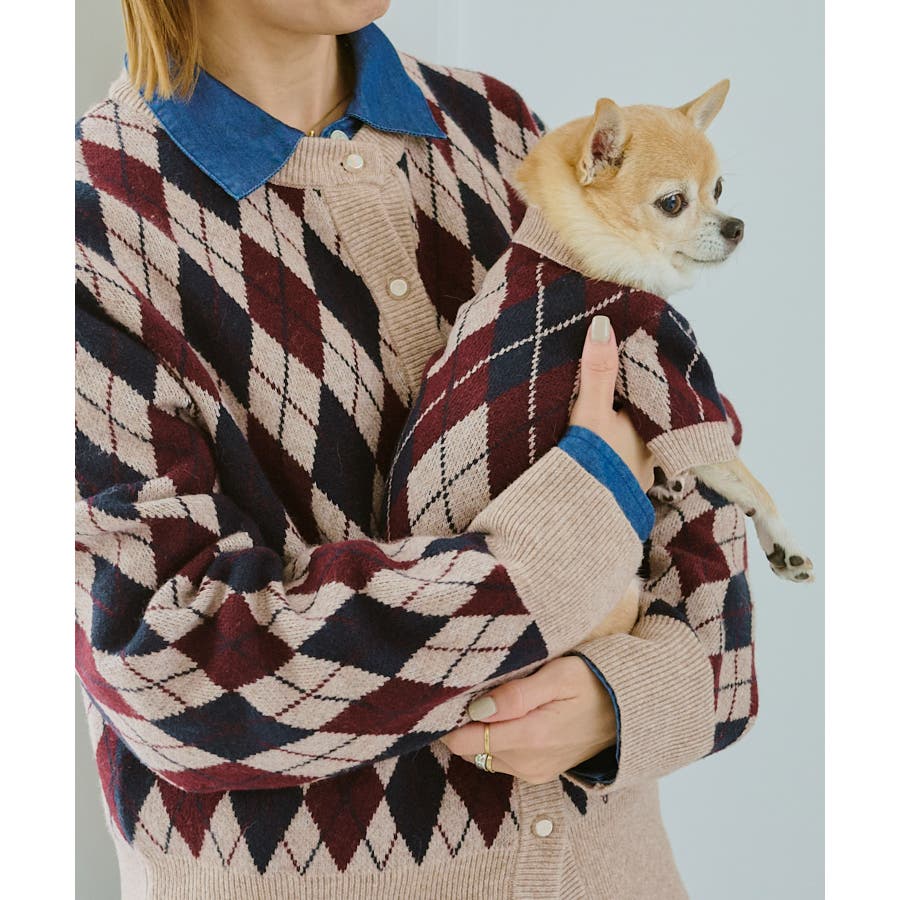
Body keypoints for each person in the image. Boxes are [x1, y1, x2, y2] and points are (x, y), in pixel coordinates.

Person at [74, 1, 757, 897]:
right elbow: (176, 676)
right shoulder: (87, 225)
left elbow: (699, 495)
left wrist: (634, 695)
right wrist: (564, 550)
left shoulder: (501, 130)